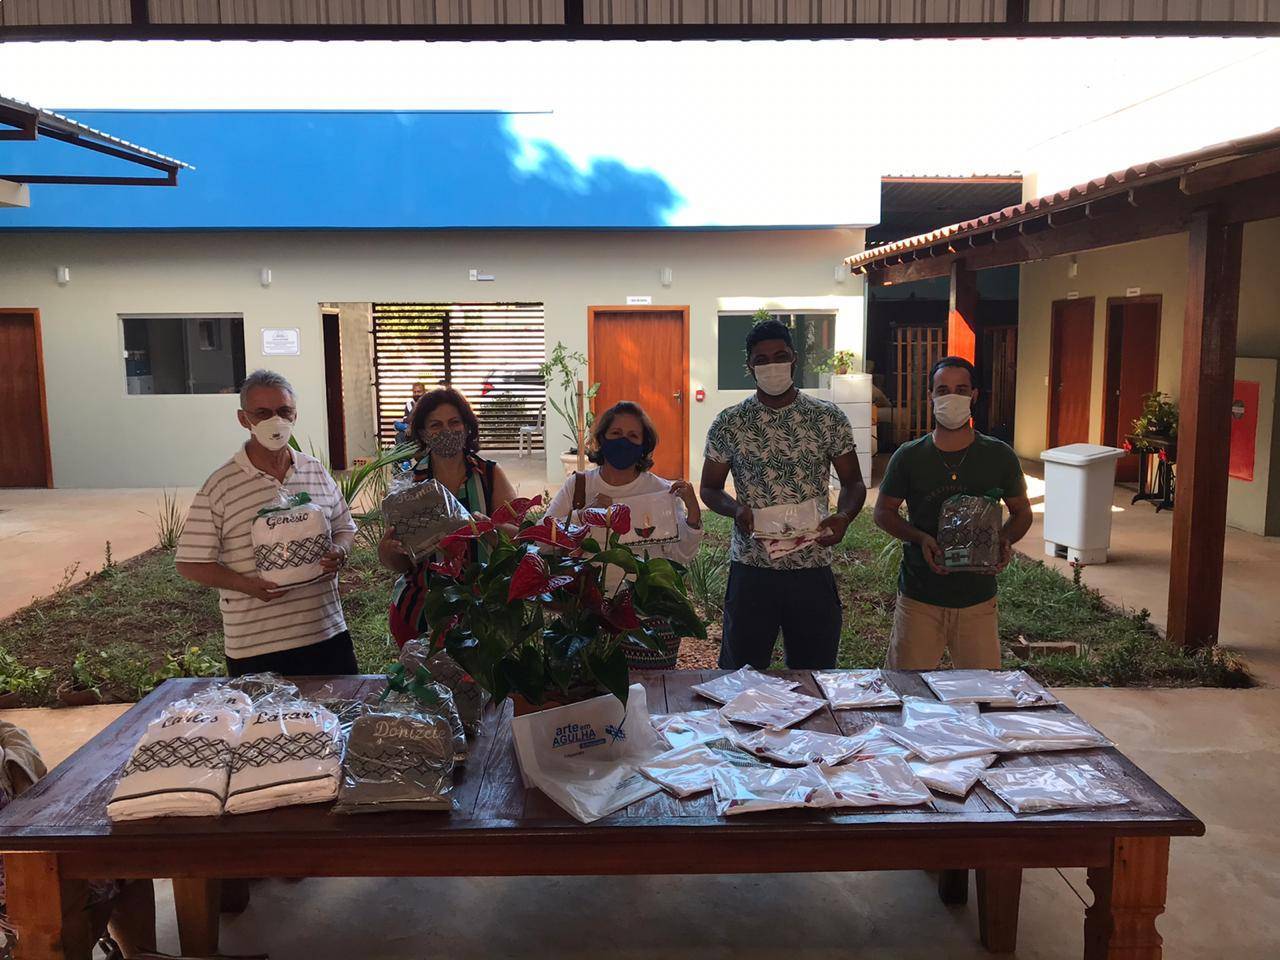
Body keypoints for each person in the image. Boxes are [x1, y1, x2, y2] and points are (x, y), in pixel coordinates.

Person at [700, 319, 867, 670]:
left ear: (794, 359)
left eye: (780, 356)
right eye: (761, 360)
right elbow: (710, 488)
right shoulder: (730, 423)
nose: (771, 365)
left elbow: (853, 482)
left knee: (814, 673)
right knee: (742, 675)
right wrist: (736, 510)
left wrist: (843, 517)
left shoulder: (827, 418)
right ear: (750, 367)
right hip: (752, 566)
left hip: (811, 565)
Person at [175, 370, 358, 676]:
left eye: (284, 411)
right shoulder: (221, 486)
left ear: (295, 415)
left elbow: (345, 527)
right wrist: (246, 586)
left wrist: (340, 551)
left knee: (342, 706)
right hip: (256, 647)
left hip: (326, 632)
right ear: (243, 419)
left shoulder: (314, 470)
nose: (275, 420)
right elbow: (189, 563)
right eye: (262, 413)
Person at [874, 355, 1032, 669]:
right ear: (930, 397)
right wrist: (920, 538)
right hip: (920, 598)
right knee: (908, 689)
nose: (952, 397)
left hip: (977, 600)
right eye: (943, 390)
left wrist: (1003, 540)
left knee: (980, 691)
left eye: (961, 390)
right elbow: (883, 512)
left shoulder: (998, 456)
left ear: (974, 395)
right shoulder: (910, 457)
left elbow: (1022, 512)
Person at [546, 400, 703, 668]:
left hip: (647, 617)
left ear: (644, 445)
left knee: (651, 688)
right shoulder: (579, 486)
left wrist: (693, 513)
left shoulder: (661, 492)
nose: (623, 442)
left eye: (633, 436)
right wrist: (584, 515)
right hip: (588, 613)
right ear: (602, 439)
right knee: (590, 689)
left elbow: (681, 556)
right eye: (616, 433)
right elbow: (545, 538)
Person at [380, 387, 519, 646]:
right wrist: (388, 551)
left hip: (483, 611)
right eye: (436, 425)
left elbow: (519, 539)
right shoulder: (409, 484)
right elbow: (400, 563)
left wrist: (490, 528)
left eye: (454, 422)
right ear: (423, 433)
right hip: (420, 613)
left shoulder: (489, 475)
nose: (447, 431)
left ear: (467, 427)